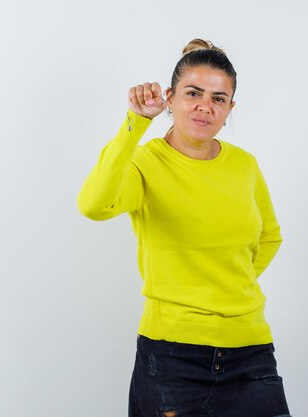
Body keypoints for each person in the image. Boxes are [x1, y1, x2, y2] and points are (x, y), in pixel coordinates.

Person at [77, 39, 291, 417]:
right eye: (193, 93)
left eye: (219, 98)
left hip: (252, 354)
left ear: (230, 109)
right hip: (173, 356)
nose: (205, 106)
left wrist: (226, 284)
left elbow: (269, 237)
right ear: (171, 98)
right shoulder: (145, 163)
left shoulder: (245, 165)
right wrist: (136, 123)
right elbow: (94, 204)